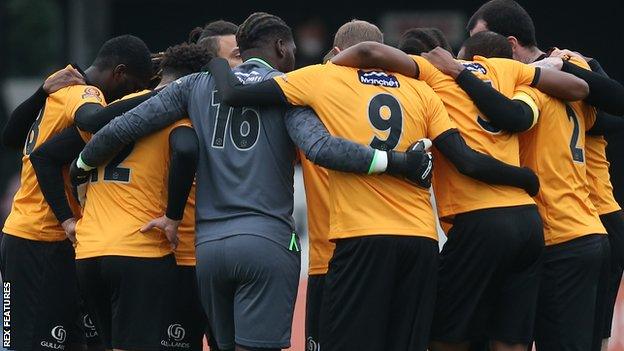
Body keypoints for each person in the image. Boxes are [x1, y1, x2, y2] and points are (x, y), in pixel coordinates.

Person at [71, 12, 433, 351]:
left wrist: (83, 164)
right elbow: (322, 148)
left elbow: (125, 125)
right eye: (291, 48)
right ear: (280, 48)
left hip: (209, 249)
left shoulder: (196, 85)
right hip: (267, 245)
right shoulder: (288, 89)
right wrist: (397, 161)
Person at [327, 29, 587, 351]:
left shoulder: (430, 77)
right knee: (511, 340)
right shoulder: (502, 69)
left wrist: (327, 70)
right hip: (528, 223)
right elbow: (579, 87)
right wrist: (550, 65)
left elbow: (369, 53)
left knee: (443, 335)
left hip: (479, 222)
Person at [27, 42, 211, 351]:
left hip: (89, 253)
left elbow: (44, 156)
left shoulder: (113, 111)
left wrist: (68, 217)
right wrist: (173, 217)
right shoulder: (175, 114)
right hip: (139, 250)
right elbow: (186, 150)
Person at [467, 1, 624, 349]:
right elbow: (608, 114)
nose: (479, 60)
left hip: (568, 227)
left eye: (483, 46)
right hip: (590, 222)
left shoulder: (529, 86)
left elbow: (516, 117)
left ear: (509, 44)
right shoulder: (573, 67)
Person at [0, 34, 152, 351]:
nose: (131, 94)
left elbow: (12, 136)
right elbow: (93, 120)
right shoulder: (86, 92)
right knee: (31, 343)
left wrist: (41, 92)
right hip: (40, 238)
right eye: (133, 86)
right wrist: (161, 96)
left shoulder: (61, 88)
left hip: (32, 236)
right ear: (119, 73)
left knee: (63, 340)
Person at [301, 19, 384, 351]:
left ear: (335, 53)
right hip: (390, 248)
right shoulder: (409, 94)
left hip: (330, 255)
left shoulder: (313, 94)